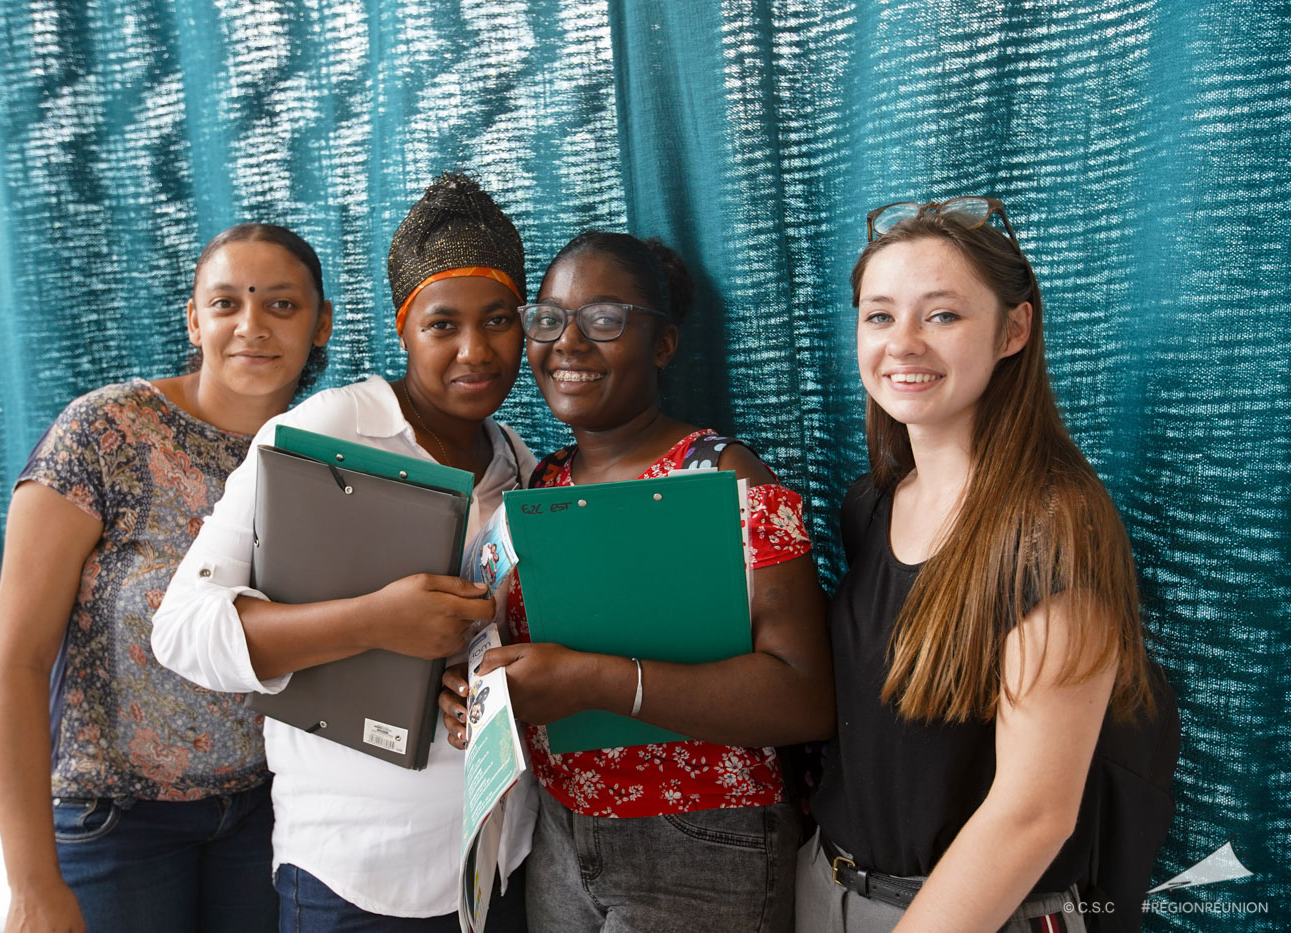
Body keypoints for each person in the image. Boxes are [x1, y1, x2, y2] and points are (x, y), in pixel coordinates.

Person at [150, 172, 538, 932]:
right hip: (354, 873)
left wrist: (473, 675)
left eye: (498, 321)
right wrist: (375, 621)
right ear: (403, 328)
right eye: (442, 324)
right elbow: (182, 630)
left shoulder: (518, 462)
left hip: (500, 861)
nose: (475, 350)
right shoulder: (327, 432)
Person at [439, 230, 836, 933]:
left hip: (701, 843)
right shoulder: (540, 485)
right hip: (557, 836)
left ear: (664, 344)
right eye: (549, 319)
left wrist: (594, 680)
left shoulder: (722, 479)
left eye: (604, 320)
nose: (568, 342)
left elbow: (805, 698)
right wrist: (482, 693)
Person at [795, 198, 1156, 932]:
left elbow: (1033, 814)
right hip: (827, 888)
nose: (903, 344)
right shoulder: (869, 505)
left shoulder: (1055, 529)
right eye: (880, 316)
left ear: (1013, 330)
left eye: (942, 315)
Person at [0, 222, 335, 933]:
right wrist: (30, 884)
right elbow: (16, 664)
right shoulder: (103, 432)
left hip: (266, 817)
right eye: (227, 303)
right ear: (194, 320)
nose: (251, 326)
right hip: (115, 821)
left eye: (281, 304)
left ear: (320, 323)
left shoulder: (325, 454)